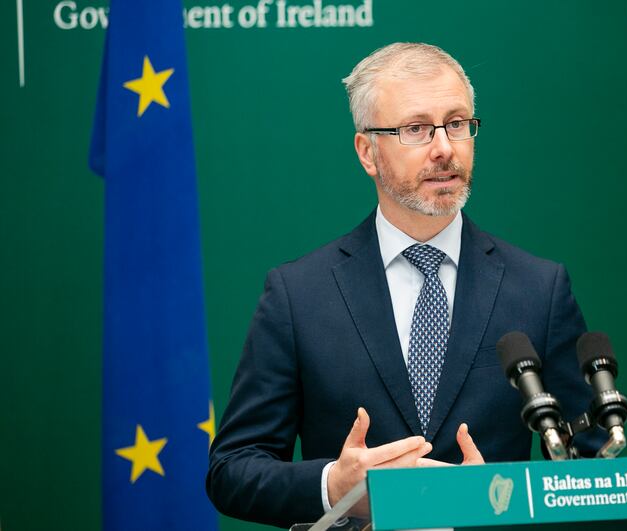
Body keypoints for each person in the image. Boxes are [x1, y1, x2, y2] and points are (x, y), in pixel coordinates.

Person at [206, 42, 602, 528]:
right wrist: (335, 486)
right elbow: (232, 470)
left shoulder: (538, 289)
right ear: (367, 152)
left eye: (457, 123)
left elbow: (591, 468)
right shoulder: (299, 295)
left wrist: (502, 501)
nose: (444, 147)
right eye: (416, 129)